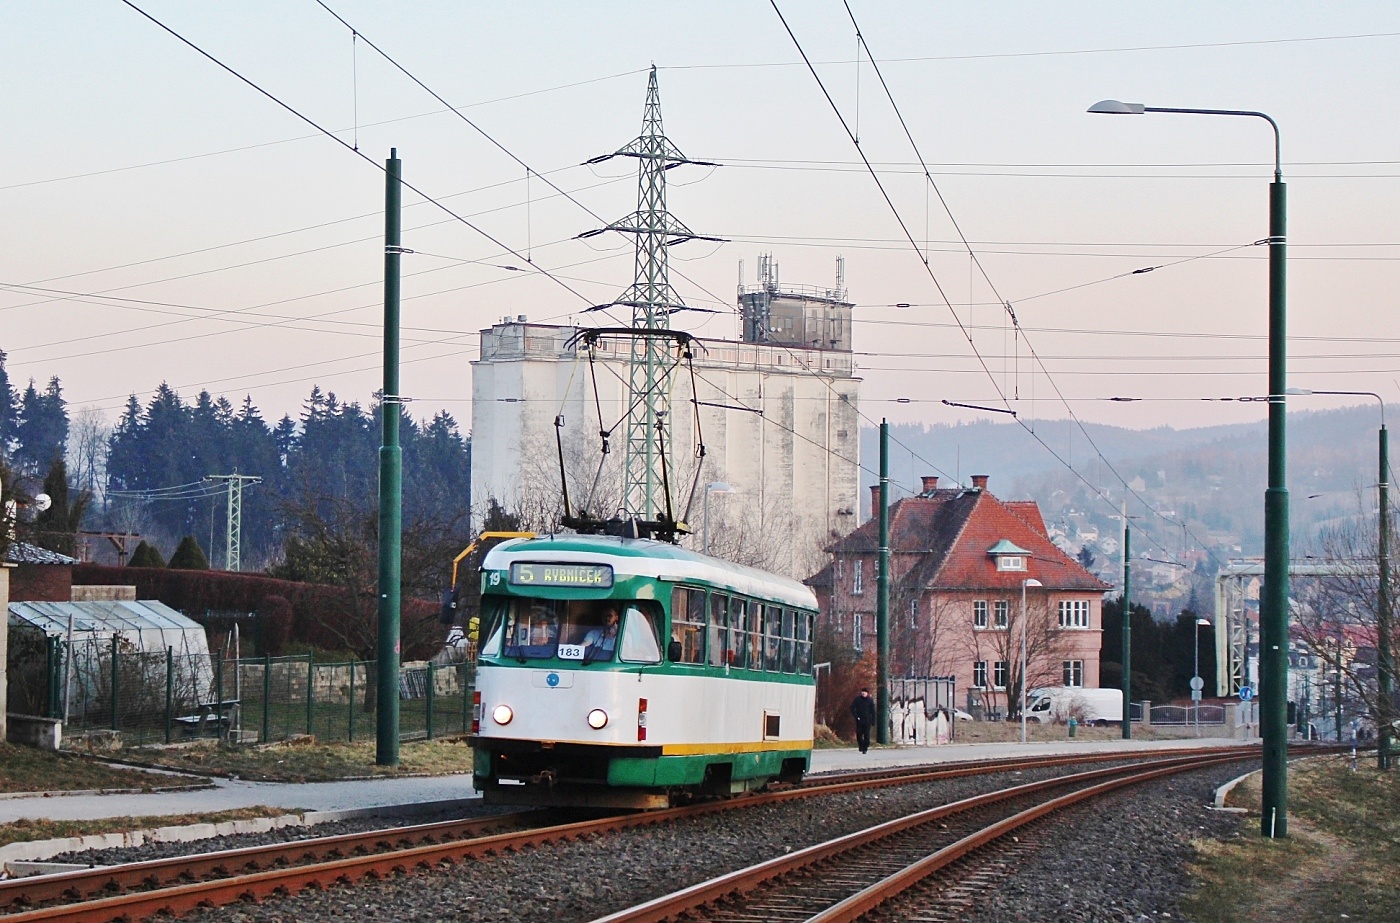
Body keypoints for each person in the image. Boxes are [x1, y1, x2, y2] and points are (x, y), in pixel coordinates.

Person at [851, 687, 876, 754]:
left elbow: (873, 711)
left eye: (864, 692)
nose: (863, 693)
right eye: (862, 692)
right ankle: (861, 746)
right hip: (859, 719)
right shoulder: (857, 699)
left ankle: (865, 748)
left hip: (867, 720)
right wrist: (856, 716)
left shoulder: (870, 700)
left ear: (867, 693)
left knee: (866, 735)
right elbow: (852, 707)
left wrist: (873, 721)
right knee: (859, 734)